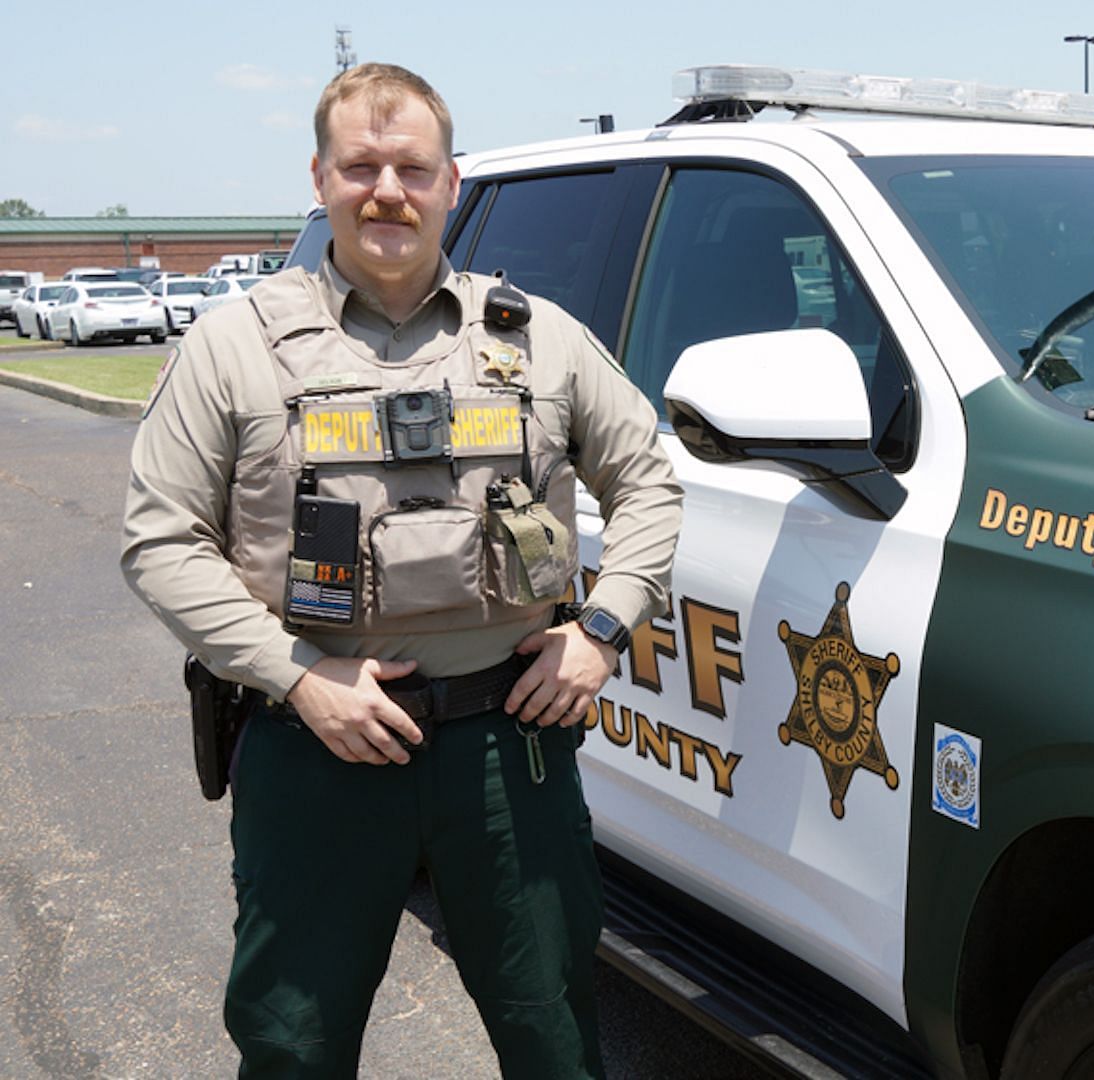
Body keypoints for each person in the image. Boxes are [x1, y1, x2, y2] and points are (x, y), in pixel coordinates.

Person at [121, 62, 681, 1078]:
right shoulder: (233, 349)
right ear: (321, 177)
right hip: (314, 755)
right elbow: (159, 540)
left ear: (452, 183)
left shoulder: (539, 341)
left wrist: (601, 631)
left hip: (511, 752)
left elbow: (649, 482)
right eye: (362, 166)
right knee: (293, 1042)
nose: (388, 190)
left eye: (412, 168)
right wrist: (293, 673)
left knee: (553, 1029)